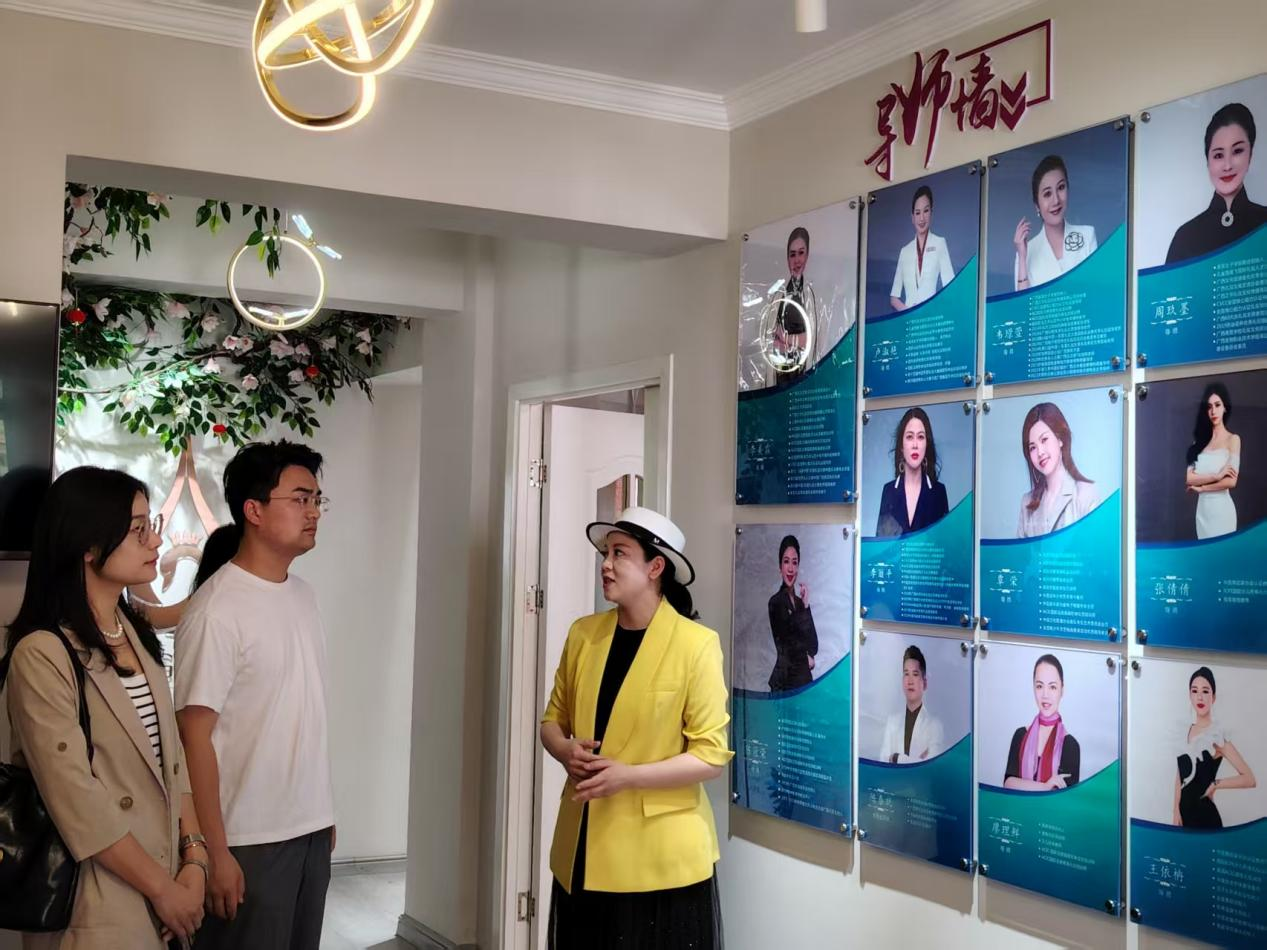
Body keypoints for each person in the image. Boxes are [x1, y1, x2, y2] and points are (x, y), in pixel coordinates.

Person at [3, 467, 206, 949]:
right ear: (88, 545)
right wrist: (163, 891)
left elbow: (173, 763)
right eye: (138, 529)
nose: (155, 541)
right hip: (94, 899)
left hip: (165, 881)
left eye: (150, 525)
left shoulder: (135, 634)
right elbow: (76, 798)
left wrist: (195, 859)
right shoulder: (43, 652)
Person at [540, 507, 731, 949]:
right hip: (583, 846)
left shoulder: (696, 645)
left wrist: (628, 776)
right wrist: (565, 751)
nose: (605, 564)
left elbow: (710, 757)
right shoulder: (584, 635)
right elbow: (552, 721)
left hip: (660, 861)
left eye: (619, 553)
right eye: (605, 554)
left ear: (655, 567)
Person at [175, 441, 335, 950]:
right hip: (247, 838)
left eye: (317, 500)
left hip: (310, 830)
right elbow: (193, 739)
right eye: (300, 499)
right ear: (254, 510)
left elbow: (300, 715)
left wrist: (323, 814)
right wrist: (214, 851)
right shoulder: (216, 610)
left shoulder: (303, 595)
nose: (313, 512)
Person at [1166, 103, 1267, 265]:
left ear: (1250, 154)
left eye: (1237, 151)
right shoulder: (1185, 237)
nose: (1227, 166)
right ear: (1208, 161)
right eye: (1218, 155)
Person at [1174, 667, 1256, 828]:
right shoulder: (1185, 730)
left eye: (1205, 691)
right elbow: (1179, 776)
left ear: (1214, 697)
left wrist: (1216, 784)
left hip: (1206, 819)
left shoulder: (1217, 736)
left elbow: (1250, 779)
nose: (1200, 697)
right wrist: (1175, 811)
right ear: (1190, 695)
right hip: (1184, 818)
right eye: (1195, 691)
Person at [1013, 155, 1098, 290]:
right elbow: (1022, 302)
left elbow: (1096, 292)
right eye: (1047, 194)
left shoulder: (1087, 235)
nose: (1056, 200)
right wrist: (1023, 258)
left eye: (1061, 187)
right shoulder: (1026, 253)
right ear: (1037, 205)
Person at [1016, 402, 1100, 538]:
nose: (1040, 452)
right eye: (1032, 447)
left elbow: (1095, 548)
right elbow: (1020, 551)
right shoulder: (1027, 502)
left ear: (1060, 439)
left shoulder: (1085, 494)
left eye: (1044, 440)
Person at [1004, 654, 1081, 791]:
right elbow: (1008, 783)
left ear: (1062, 690)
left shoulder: (1070, 745)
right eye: (1039, 686)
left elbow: (1064, 798)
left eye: (1052, 687)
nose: (1045, 695)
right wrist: (1045, 787)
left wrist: (1025, 785)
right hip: (1017, 806)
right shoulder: (1020, 735)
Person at [877, 407, 950, 537]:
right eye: (909, 437)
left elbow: (944, 543)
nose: (915, 444)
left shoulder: (938, 492)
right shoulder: (889, 491)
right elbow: (883, 543)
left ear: (926, 444)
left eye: (920, 437)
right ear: (901, 446)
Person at [1185, 382, 1240, 540]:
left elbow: (1231, 481)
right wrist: (1217, 476)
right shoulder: (1198, 444)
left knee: (1224, 552)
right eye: (1209, 407)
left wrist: (1202, 488)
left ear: (1225, 407)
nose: (1213, 411)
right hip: (1202, 512)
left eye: (1217, 405)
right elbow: (1189, 478)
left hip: (1222, 510)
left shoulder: (1233, 440)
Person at [890, 185, 956, 311]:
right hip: (908, 319)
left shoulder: (939, 243)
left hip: (930, 317)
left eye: (926, 211)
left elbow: (951, 288)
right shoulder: (905, 251)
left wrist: (932, 309)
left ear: (931, 212)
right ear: (912, 217)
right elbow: (894, 298)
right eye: (917, 213)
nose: (921, 218)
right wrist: (909, 312)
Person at [766, 534, 819, 691]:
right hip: (785, 684)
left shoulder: (800, 603)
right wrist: (806, 659)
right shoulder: (775, 602)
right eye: (786, 561)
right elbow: (787, 647)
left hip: (803, 683)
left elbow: (814, 647)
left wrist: (806, 605)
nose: (790, 568)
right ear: (780, 567)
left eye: (794, 562)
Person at [768, 227, 821, 382]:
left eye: (801, 253)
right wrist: (787, 342)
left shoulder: (811, 295)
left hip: (803, 373)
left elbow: (811, 338)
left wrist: (786, 338)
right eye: (792, 254)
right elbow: (772, 338)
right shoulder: (778, 294)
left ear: (807, 255)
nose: (797, 260)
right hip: (780, 371)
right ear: (787, 258)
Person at [880, 645, 945, 763]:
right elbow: (883, 763)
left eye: (915, 674)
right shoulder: (892, 722)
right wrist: (916, 760)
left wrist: (896, 758)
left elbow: (929, 767)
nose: (910, 681)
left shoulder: (934, 726)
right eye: (906, 674)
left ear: (924, 683)